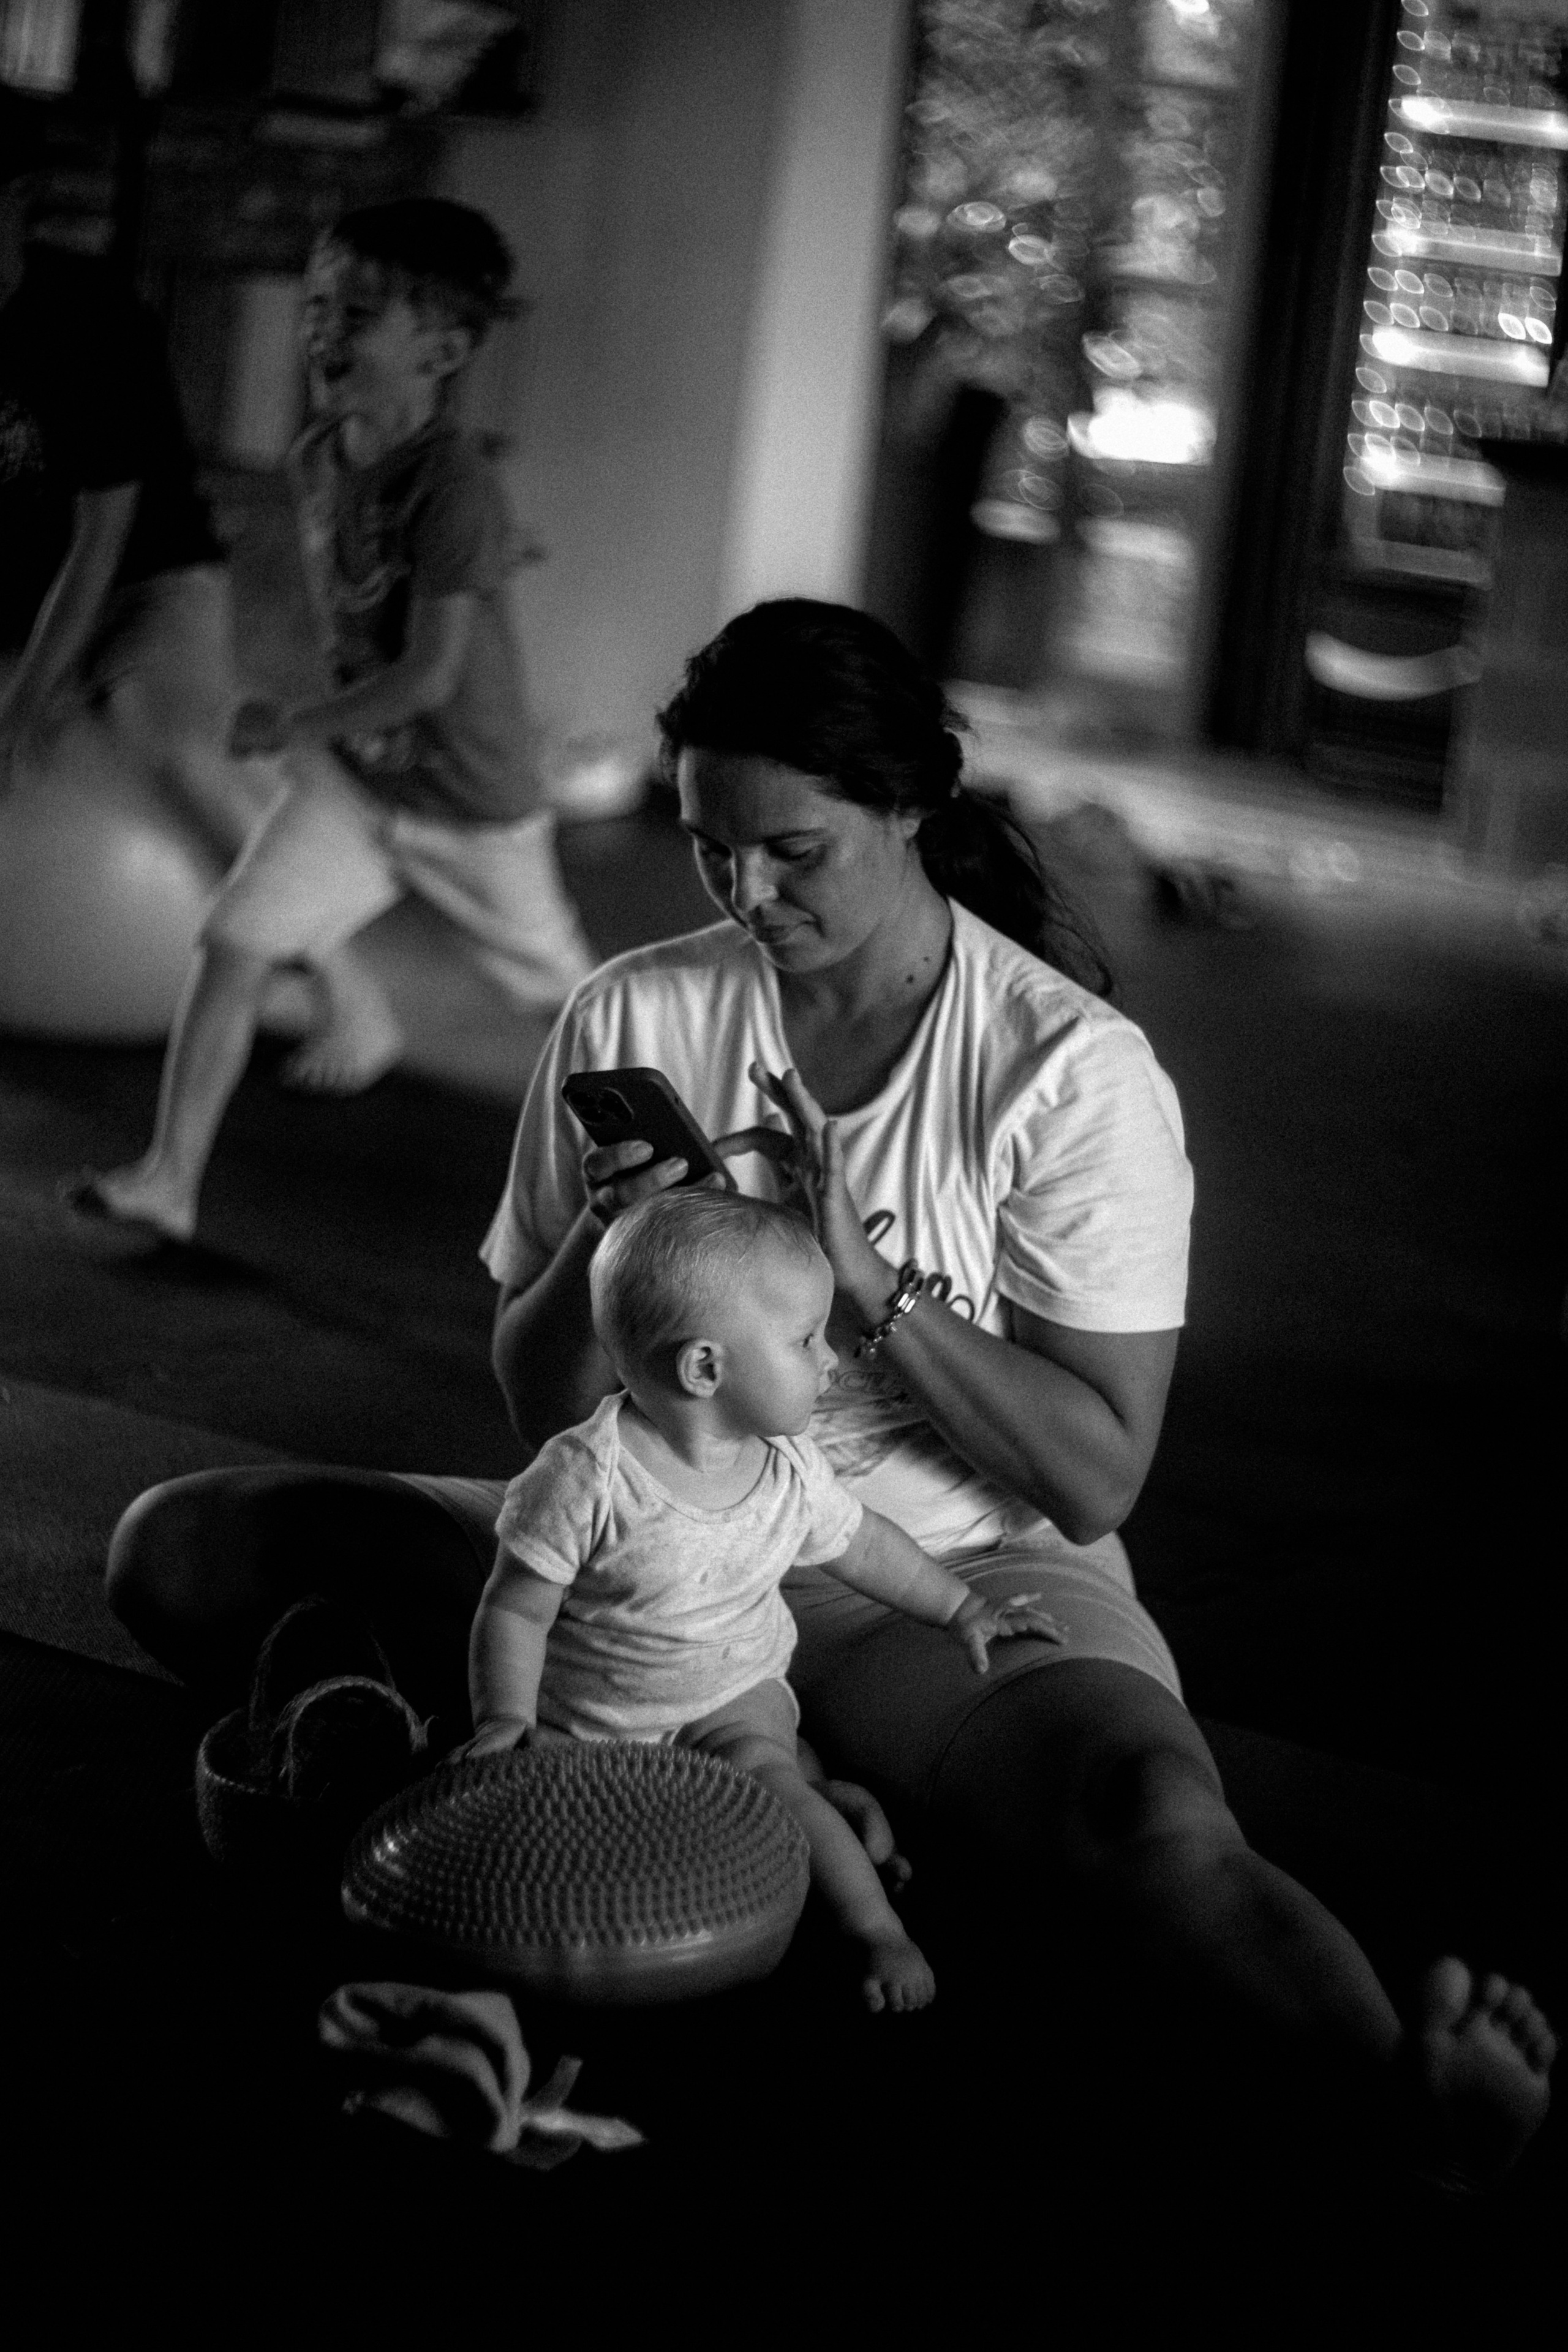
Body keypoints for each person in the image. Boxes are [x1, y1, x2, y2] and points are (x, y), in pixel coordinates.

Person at [106, 600, 1555, 2193]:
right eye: (713, 850)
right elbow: (536, 1405)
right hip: (646, 1553)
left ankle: (1403, 2102)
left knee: (1148, 1803)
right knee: (182, 1548)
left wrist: (879, 1300)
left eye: (795, 850)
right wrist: (613, 1230)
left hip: (945, 1584)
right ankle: (760, 1787)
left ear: (911, 812)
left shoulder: (1066, 1071)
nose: (749, 893)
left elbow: (1095, 1478)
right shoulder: (638, 1014)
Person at [71, 195, 595, 1243]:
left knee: (572, 1012)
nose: (320, 328)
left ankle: (699, 1179)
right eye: (316, 304)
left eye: (355, 313)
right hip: (362, 789)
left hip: (472, 802)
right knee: (235, 940)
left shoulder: (455, 488)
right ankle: (169, 1182)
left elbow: (431, 676)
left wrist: (294, 722)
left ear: (443, 348)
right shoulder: (319, 454)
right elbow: (354, 612)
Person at [467, 1185, 1065, 2012]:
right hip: (596, 1723)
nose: (835, 1360)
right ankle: (816, 1815)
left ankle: (873, 1927)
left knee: (764, 1780)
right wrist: (503, 1719)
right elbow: (515, 1608)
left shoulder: (787, 1461)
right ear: (705, 1367)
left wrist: (961, 1608)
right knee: (562, 1853)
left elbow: (863, 1542)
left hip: (735, 1698)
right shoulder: (584, 1478)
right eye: (807, 1339)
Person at [0, 96, 387, 1074]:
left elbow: (103, 540)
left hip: (147, 583)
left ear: (17, 202)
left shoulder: (88, 319)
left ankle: (346, 984)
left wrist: (27, 702)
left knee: (164, 733)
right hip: (17, 599)